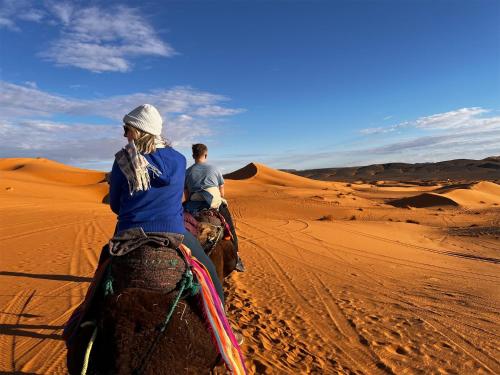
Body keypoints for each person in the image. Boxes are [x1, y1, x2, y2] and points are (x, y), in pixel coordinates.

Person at [108, 104, 224, 302]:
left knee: (101, 280)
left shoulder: (123, 160)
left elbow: (115, 206)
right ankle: (223, 324)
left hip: (129, 232)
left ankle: (82, 324)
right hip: (173, 231)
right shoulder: (179, 160)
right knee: (209, 272)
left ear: (137, 131)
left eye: (126, 129)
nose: (124, 134)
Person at [184, 144, 244, 272]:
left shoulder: (187, 172)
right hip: (214, 205)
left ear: (193, 155)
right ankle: (237, 258)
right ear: (206, 154)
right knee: (230, 227)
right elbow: (222, 193)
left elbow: (187, 195)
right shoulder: (214, 169)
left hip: (193, 206)